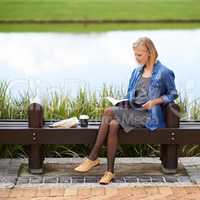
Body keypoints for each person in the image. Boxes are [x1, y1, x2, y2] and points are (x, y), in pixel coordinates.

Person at [74, 37, 178, 184]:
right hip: (133, 112)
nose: (137, 58)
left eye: (139, 55)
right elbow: (129, 95)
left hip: (149, 116)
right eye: (135, 54)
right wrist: (122, 103)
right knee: (113, 124)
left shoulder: (164, 72)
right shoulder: (136, 72)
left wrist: (155, 101)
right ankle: (109, 172)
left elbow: (173, 94)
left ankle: (93, 157)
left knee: (109, 112)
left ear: (150, 52)